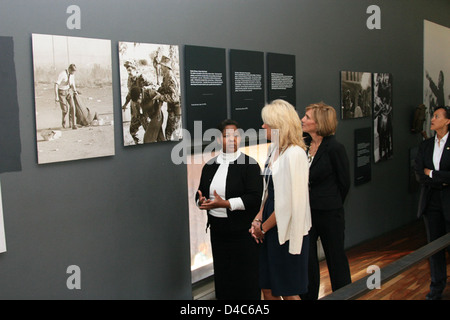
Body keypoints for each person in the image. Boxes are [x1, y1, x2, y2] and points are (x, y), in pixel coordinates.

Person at [250, 99, 311, 300]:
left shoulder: (295, 154)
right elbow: (267, 191)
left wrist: (263, 227)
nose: (262, 126)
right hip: (269, 221)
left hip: (286, 227)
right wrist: (258, 219)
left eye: (266, 122)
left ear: (278, 125)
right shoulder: (273, 149)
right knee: (267, 288)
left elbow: (292, 204)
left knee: (288, 290)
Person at [196, 119, 263, 300]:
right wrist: (201, 201)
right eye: (227, 136)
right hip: (218, 231)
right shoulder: (209, 166)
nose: (232, 139)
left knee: (246, 280)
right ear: (219, 140)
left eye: (236, 135)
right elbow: (199, 194)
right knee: (224, 279)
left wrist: (225, 204)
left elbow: (255, 199)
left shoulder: (250, 165)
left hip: (243, 232)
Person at [300, 102, 352, 300]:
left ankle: (345, 295)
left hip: (330, 213)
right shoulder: (303, 144)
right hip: (307, 213)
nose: (302, 120)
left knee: (336, 258)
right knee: (308, 261)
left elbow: (344, 183)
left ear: (319, 122)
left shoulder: (334, 148)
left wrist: (330, 202)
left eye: (307, 117)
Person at [414, 105, 450, 300]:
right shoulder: (426, 145)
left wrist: (433, 173)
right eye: (433, 116)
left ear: (447, 121)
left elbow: (431, 173)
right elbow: (420, 173)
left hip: (449, 200)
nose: (432, 119)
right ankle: (436, 289)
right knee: (434, 248)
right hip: (431, 202)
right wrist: (440, 178)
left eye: (437, 116)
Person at [121, 60, 152, 144]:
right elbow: (130, 93)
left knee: (149, 131)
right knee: (133, 131)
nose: (129, 72)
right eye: (127, 70)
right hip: (135, 109)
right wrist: (125, 105)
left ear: (135, 70)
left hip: (144, 109)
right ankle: (137, 144)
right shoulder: (129, 79)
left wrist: (144, 90)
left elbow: (154, 86)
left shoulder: (142, 78)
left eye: (130, 70)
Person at [153, 56, 181, 141]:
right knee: (169, 133)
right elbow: (163, 88)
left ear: (166, 67)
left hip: (176, 110)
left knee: (170, 134)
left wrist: (160, 97)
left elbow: (174, 97)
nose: (160, 67)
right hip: (172, 110)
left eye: (161, 66)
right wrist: (156, 91)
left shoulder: (171, 78)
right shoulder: (166, 76)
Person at [55, 64, 78, 130]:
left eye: (74, 71)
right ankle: (64, 121)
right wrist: (56, 96)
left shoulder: (72, 75)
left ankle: (73, 124)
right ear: (69, 69)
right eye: (72, 71)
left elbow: (72, 83)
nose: (73, 73)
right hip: (61, 92)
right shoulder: (62, 74)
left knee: (73, 106)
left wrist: (75, 91)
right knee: (65, 110)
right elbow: (56, 84)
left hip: (68, 91)